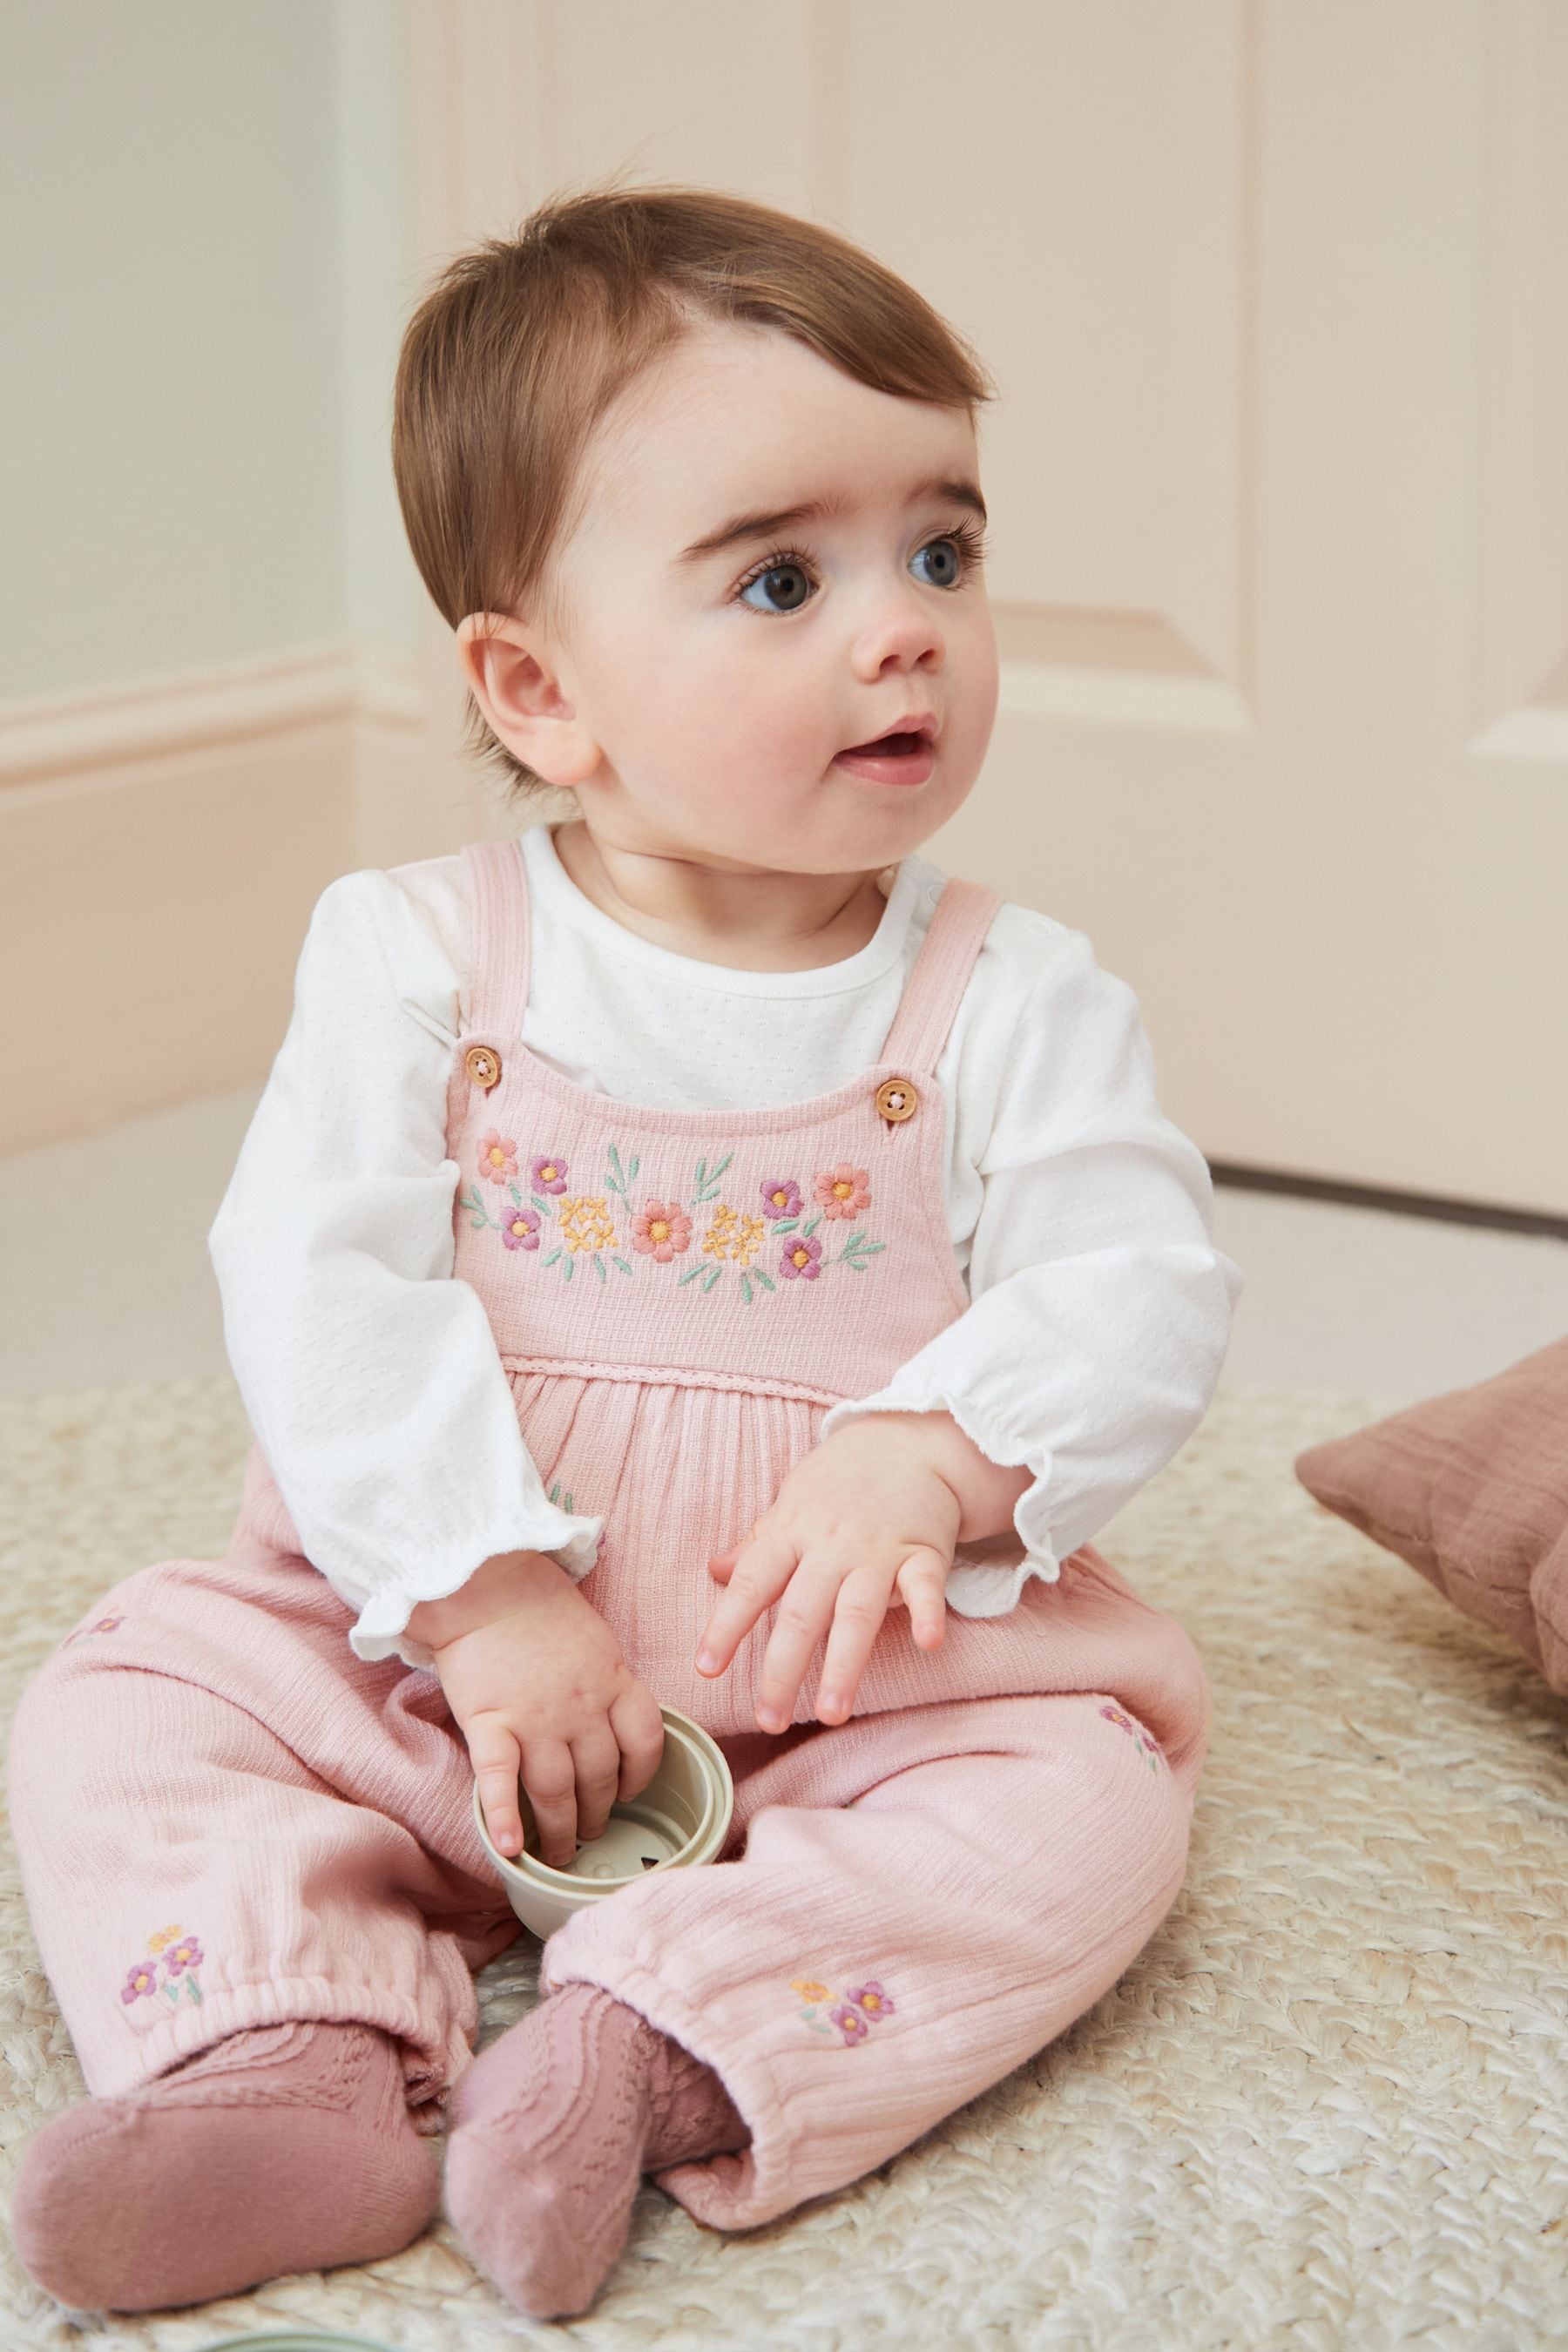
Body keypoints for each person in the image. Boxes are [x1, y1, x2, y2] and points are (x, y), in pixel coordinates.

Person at [7, 185, 1240, 2322]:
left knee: (1094, 1806)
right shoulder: (417, 954)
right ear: (537, 686)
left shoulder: (1011, 994)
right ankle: (286, 2052)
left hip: (845, 1668)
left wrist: (930, 1457)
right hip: (432, 1654)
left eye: (941, 548)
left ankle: (652, 2048)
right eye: (785, 576)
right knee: (125, 1703)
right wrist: (483, 1599)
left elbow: (1141, 1284)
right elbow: (318, 1279)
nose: (907, 627)